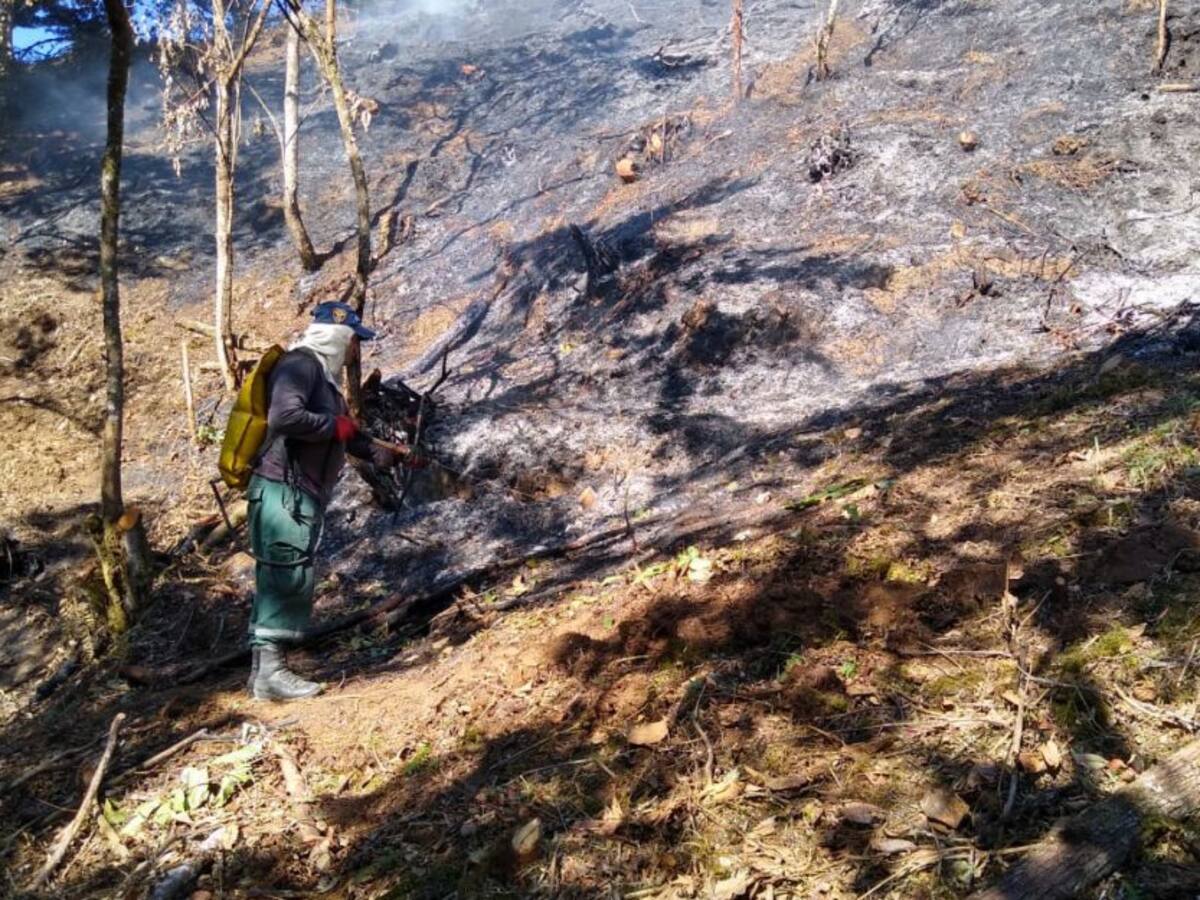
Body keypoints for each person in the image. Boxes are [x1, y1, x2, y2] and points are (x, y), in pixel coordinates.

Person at [246, 301, 405, 701]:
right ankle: (271, 675)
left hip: (297, 491)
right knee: (286, 571)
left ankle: (264, 674)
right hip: (283, 488)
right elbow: (285, 418)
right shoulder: (301, 365)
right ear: (338, 338)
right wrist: (336, 424)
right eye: (354, 341)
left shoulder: (323, 379)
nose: (356, 350)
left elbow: (344, 434)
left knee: (287, 569)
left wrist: (383, 453)